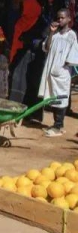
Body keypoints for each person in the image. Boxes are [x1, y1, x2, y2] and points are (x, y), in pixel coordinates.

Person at [39, 9, 78, 137]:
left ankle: (58, 125)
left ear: (69, 19)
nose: (60, 20)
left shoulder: (71, 36)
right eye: (58, 18)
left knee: (61, 98)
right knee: (53, 97)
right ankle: (58, 125)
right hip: (51, 70)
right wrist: (51, 32)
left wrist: (63, 67)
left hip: (61, 72)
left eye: (62, 18)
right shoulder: (55, 35)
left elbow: (73, 55)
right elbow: (47, 47)